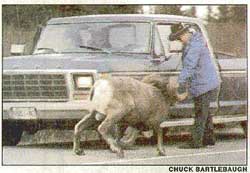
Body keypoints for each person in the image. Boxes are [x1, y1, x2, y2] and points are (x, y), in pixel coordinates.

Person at [169, 23, 221, 148]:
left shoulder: (194, 46)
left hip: (203, 83)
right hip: (206, 82)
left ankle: (196, 142)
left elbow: (189, 66)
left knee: (200, 113)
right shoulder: (194, 42)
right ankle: (209, 139)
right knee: (205, 113)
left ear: (185, 33)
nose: (179, 40)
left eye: (179, 37)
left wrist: (180, 82)